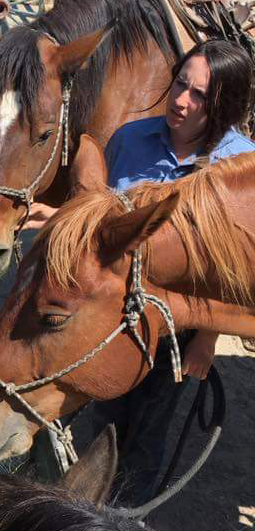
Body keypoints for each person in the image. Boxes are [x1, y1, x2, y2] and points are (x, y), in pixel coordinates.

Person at [99, 39, 255, 504]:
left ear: (224, 104)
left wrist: (207, 337)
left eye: (199, 95)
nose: (181, 101)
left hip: (179, 328)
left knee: (148, 430)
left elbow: (234, 274)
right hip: (113, 317)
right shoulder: (128, 141)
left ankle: (128, 527)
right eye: (180, 85)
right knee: (104, 421)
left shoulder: (242, 166)